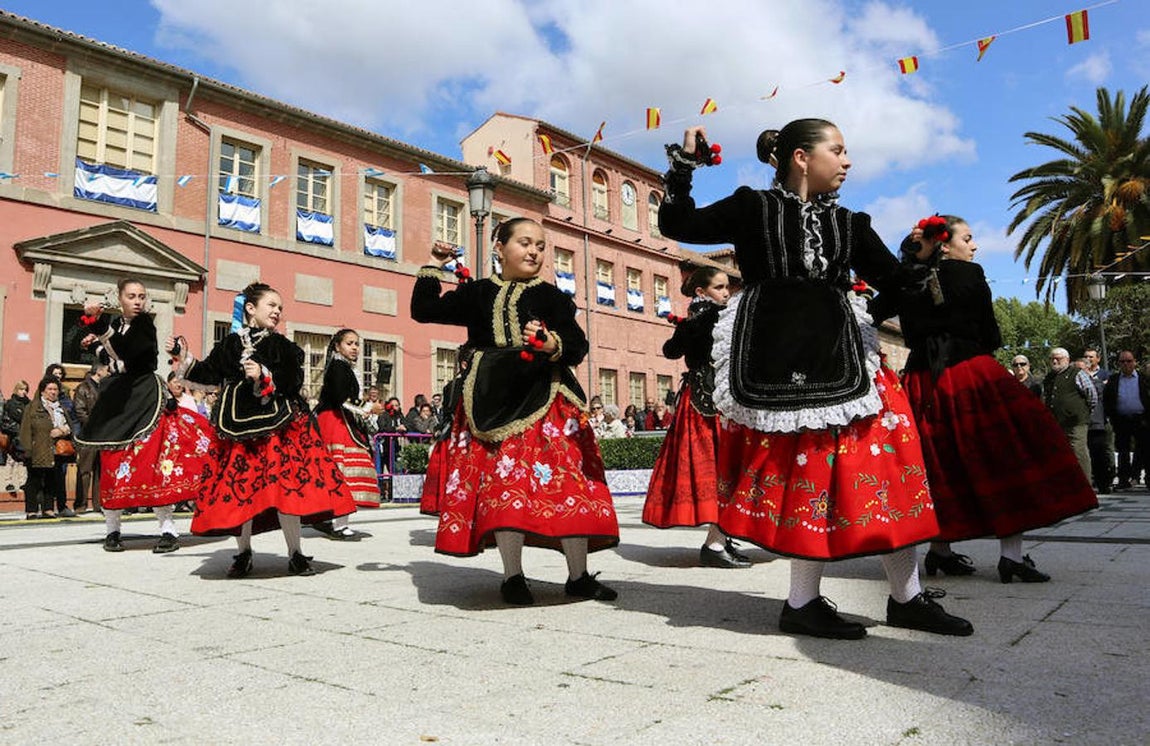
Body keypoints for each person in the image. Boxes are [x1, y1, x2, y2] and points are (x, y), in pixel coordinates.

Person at [658, 121, 969, 639]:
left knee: (887, 470)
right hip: (778, 364)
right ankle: (803, 602)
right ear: (801, 157)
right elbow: (679, 223)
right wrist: (685, 167)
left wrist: (912, 265)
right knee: (809, 477)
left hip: (843, 359)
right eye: (838, 150)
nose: (848, 161)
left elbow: (895, 282)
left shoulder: (850, 222)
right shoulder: (751, 207)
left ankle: (905, 596)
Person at [412, 219, 619, 605]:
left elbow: (577, 345)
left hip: (547, 402)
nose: (534, 252)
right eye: (525, 243)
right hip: (488, 401)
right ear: (499, 246)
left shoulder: (553, 298)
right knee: (503, 488)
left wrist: (549, 343)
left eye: (540, 246)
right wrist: (434, 265)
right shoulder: (476, 294)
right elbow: (423, 311)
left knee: (567, 485)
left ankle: (578, 575)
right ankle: (513, 576)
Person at [887, 215, 1098, 584]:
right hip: (968, 373)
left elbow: (901, 323)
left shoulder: (908, 279)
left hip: (922, 379)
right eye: (967, 238)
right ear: (945, 244)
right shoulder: (969, 274)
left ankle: (940, 551)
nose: (974, 245)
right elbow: (990, 333)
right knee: (1009, 453)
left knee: (937, 463)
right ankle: (1011, 556)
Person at [172, 281, 356, 577]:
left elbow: (293, 381)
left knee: (287, 492)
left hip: (277, 430)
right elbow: (209, 373)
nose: (277, 312)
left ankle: (295, 553)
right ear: (250, 309)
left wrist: (264, 374)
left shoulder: (285, 347)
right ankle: (243, 553)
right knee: (240, 492)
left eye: (280, 307)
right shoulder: (231, 344)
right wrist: (184, 354)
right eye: (271, 305)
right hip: (236, 429)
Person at [75, 278, 218, 552]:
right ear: (120, 299)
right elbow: (110, 358)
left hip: (143, 395)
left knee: (154, 457)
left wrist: (98, 324)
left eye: (141, 296)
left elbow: (127, 352)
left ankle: (167, 529)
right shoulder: (116, 325)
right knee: (113, 460)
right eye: (131, 296)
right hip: (117, 397)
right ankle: (113, 530)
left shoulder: (144, 326)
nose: (138, 301)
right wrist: (93, 344)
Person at [643, 266, 751, 569]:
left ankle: (721, 538)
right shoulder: (712, 318)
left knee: (727, 468)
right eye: (719, 288)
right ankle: (715, 543)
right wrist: (694, 325)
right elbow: (670, 351)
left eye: (727, 287)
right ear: (701, 292)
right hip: (709, 403)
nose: (726, 293)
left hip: (718, 399)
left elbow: (671, 350)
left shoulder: (705, 319)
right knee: (722, 468)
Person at [313, 328, 383, 540]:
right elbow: (341, 398)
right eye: (349, 343)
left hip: (339, 420)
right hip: (335, 422)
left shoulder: (343, 367)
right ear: (337, 346)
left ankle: (331, 520)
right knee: (342, 471)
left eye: (356, 344)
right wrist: (369, 407)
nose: (354, 348)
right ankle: (338, 524)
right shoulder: (338, 367)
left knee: (339, 470)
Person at [19, 377, 71, 520]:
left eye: (55, 389)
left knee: (51, 479)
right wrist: (27, 449)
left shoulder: (60, 408)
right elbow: (25, 429)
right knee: (34, 480)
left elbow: (70, 426)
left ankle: (48, 509)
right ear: (42, 391)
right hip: (37, 447)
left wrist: (62, 431)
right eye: (50, 389)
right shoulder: (32, 407)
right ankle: (32, 510)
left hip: (55, 449)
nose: (53, 392)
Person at [1043, 347, 1098, 477]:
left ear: (1067, 360)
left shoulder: (1077, 373)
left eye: (1058, 358)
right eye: (1052, 359)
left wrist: (1083, 412)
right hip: (1056, 423)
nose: (1055, 361)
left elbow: (1092, 395)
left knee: (1078, 454)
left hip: (1076, 423)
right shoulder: (1049, 377)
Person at [1103, 350, 1149, 490]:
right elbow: (1107, 399)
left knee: (1146, 449)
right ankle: (1123, 479)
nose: (1126, 364)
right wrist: (1111, 416)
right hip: (1121, 419)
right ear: (1118, 364)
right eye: (1122, 361)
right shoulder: (1114, 379)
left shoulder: (1144, 379)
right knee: (1123, 451)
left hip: (1141, 419)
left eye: (1129, 361)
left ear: (1134, 362)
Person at [71, 362, 109, 513]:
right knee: (85, 470)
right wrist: (94, 425)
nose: (109, 372)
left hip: (103, 435)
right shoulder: (83, 388)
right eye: (107, 369)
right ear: (99, 371)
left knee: (100, 470)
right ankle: (80, 504)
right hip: (87, 435)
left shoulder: (105, 387)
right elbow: (79, 411)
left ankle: (98, 504)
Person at [1082, 347, 1113, 493]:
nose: (1088, 359)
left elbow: (1101, 396)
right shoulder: (1080, 377)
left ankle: (1105, 482)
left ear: (1098, 359)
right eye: (1086, 357)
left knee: (1102, 452)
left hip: (1099, 421)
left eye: (1091, 357)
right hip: (1084, 422)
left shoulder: (1105, 376)